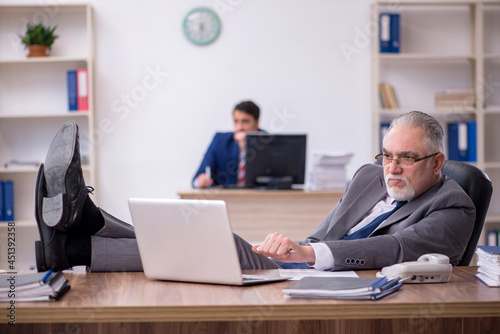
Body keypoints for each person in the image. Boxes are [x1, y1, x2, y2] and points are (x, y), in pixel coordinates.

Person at [35, 111, 475, 273]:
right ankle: (79, 235)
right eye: (387, 155)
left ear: (437, 162)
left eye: (407, 158)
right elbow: (326, 230)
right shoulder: (368, 174)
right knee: (215, 244)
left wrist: (309, 257)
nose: (392, 167)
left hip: (342, 281)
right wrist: (300, 248)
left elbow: (396, 248)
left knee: (217, 247)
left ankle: (81, 237)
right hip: (308, 265)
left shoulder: (453, 205)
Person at [192, 100, 263, 188]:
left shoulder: (269, 143)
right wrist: (200, 181)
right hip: (226, 199)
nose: (239, 127)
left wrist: (247, 149)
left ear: (257, 123)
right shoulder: (220, 141)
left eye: (245, 121)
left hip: (260, 199)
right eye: (236, 121)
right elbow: (197, 178)